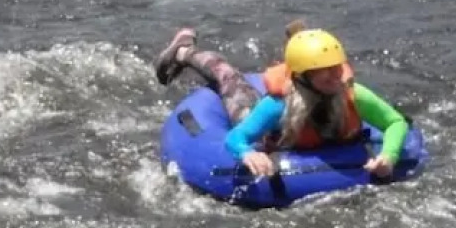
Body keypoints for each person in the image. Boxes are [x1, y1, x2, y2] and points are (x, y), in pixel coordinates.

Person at [154, 24, 409, 179]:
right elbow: (236, 137)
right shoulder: (277, 105)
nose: (336, 75)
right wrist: (247, 153)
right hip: (261, 124)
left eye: (337, 66)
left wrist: (389, 155)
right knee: (228, 77)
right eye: (325, 70)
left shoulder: (354, 94)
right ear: (303, 76)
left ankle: (297, 36)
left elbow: (395, 122)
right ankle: (184, 50)